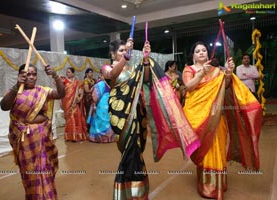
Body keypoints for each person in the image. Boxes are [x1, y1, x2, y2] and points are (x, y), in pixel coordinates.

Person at [102, 39, 200, 199]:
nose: (123, 53)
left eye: (124, 51)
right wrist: (126, 57)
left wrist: (146, 59)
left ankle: (135, 189)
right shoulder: (108, 68)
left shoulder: (133, 69)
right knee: (129, 148)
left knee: (135, 149)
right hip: (120, 114)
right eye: (120, 51)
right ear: (112, 54)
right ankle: (130, 191)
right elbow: (112, 76)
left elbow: (146, 79)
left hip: (137, 112)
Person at [182, 41, 262, 200]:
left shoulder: (216, 71)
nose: (201, 53)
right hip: (197, 116)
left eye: (204, 50)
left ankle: (218, 184)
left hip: (216, 115)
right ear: (193, 55)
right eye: (197, 51)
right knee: (204, 148)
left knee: (217, 145)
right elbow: (189, 87)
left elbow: (225, 86)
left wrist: (228, 72)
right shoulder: (188, 69)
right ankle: (207, 185)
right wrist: (200, 74)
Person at [0, 64, 65, 199]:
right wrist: (17, 86)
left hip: (42, 140)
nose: (31, 77)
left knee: (46, 170)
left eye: (33, 74)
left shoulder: (42, 91)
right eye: (27, 74)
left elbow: (61, 94)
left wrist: (56, 76)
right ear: (20, 75)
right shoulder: (14, 92)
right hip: (25, 143)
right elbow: (4, 106)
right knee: (30, 174)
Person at [61, 67, 88, 142]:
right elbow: (59, 87)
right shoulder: (64, 81)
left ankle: (76, 135)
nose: (67, 73)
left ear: (73, 73)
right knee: (69, 118)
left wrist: (80, 97)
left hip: (75, 102)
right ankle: (70, 136)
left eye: (69, 72)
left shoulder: (77, 82)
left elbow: (81, 90)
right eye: (66, 72)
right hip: (66, 102)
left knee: (76, 116)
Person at [87, 71, 115, 143]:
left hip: (101, 104)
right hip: (109, 104)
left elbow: (95, 96)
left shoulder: (101, 84)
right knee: (106, 120)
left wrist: (94, 104)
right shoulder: (113, 83)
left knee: (100, 120)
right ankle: (109, 137)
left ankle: (98, 137)